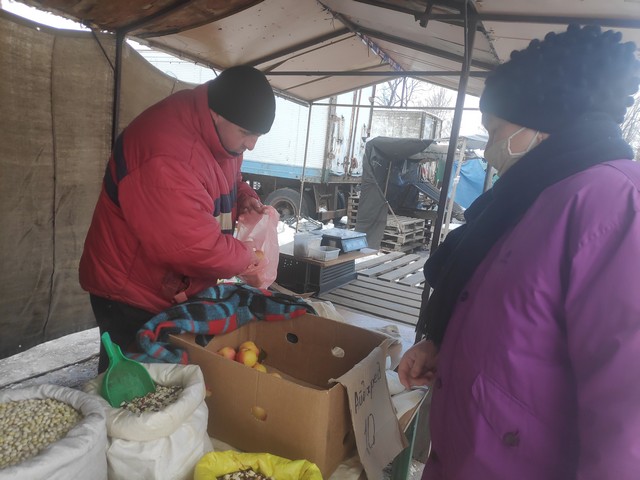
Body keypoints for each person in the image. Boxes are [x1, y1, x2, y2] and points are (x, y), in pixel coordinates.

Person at [398, 25, 640, 479]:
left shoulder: (614, 202)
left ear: (541, 124)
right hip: (465, 456)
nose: (489, 148)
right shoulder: (528, 194)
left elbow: (627, 411)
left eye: (494, 130)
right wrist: (443, 346)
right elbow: (512, 319)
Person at [79, 65, 276, 373]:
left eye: (258, 136)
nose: (251, 145)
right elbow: (193, 246)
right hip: (130, 289)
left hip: (168, 285)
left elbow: (225, 176)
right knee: (131, 379)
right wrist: (246, 257)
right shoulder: (167, 155)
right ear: (217, 114)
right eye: (246, 133)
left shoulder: (219, 132)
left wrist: (244, 197)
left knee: (166, 377)